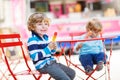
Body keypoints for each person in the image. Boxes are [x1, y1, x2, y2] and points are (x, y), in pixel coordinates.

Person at [27, 12, 75, 80]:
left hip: (52, 63)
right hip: (43, 65)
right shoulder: (32, 40)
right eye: (40, 24)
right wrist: (48, 48)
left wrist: (53, 49)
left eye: (46, 24)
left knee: (72, 73)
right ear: (32, 27)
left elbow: (50, 54)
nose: (44, 26)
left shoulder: (46, 38)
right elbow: (34, 57)